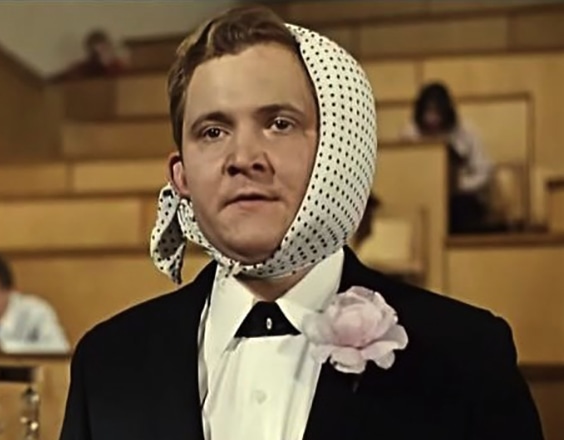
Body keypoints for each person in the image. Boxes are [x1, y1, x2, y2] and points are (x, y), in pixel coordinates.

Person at [60, 6, 543, 440]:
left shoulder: (465, 358)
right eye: (213, 131)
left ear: (335, 150)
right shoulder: (106, 365)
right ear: (181, 175)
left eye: (279, 123)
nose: (243, 157)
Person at [402, 82, 494, 234]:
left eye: (436, 112)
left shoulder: (466, 132)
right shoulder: (410, 134)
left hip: (459, 199)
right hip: (421, 198)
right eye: (428, 112)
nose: (432, 119)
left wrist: (460, 186)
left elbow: (484, 171)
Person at [50, 29, 129, 83]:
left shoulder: (117, 66)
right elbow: (63, 76)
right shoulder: (83, 68)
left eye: (104, 47)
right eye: (97, 48)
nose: (102, 51)